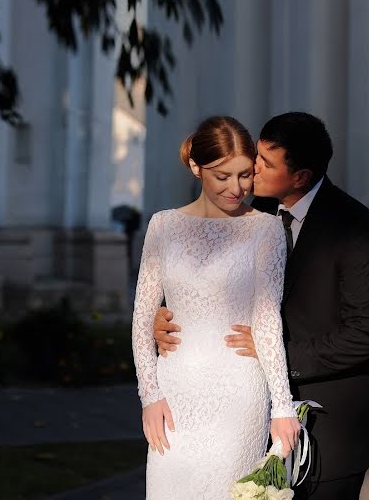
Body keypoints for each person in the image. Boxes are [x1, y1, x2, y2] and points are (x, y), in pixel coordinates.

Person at [154, 112, 369, 500]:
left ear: (299, 177)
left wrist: (276, 355)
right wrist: (162, 320)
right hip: (245, 420)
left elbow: (366, 332)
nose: (252, 167)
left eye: (265, 163)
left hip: (330, 427)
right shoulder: (249, 214)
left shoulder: (357, 229)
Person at [131, 116, 301, 499]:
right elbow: (142, 317)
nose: (236, 188)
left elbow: (267, 319)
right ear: (196, 167)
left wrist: (283, 406)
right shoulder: (163, 226)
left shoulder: (266, 229)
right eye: (222, 176)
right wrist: (150, 395)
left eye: (244, 175)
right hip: (175, 390)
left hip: (239, 391)